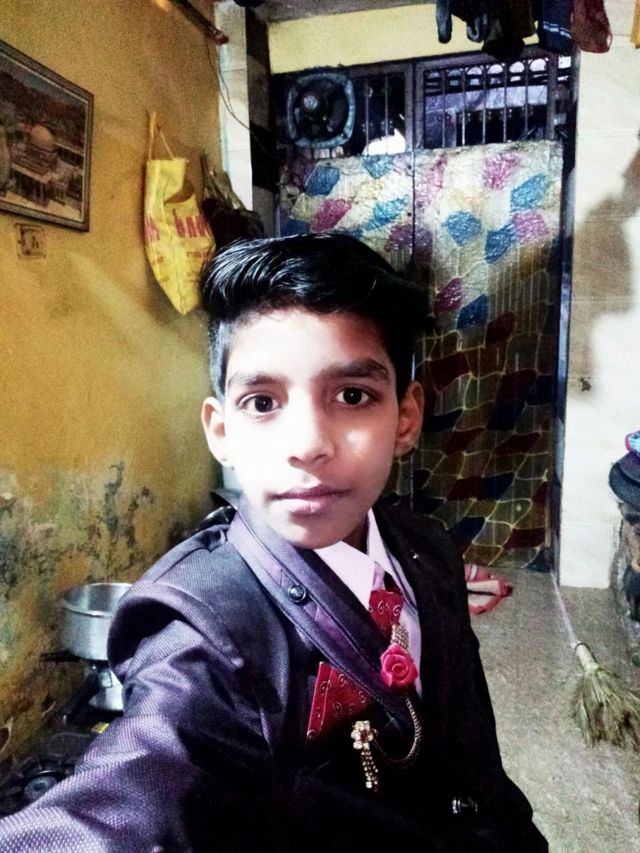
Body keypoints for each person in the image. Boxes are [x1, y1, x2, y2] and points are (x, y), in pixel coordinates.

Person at [0, 235, 547, 851]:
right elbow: (126, 810)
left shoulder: (425, 548)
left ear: (406, 418)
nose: (308, 444)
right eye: (262, 402)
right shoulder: (208, 631)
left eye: (352, 396)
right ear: (221, 431)